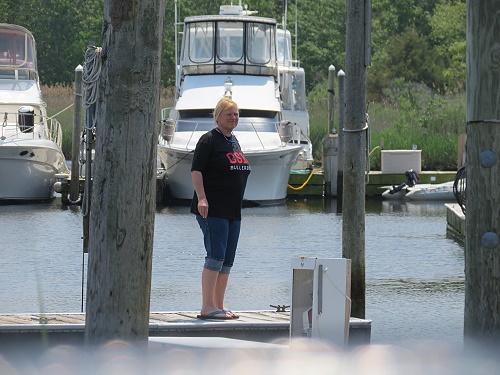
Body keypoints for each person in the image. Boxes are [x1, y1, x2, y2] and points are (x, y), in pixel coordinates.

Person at [191, 97, 251, 320]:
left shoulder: (233, 141)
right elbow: (196, 171)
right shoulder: (208, 140)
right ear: (218, 116)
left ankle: (218, 305)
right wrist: (202, 198)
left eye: (236, 114)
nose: (234, 118)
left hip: (233, 211)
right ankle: (207, 307)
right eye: (229, 114)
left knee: (227, 260)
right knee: (215, 256)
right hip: (212, 209)